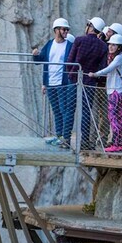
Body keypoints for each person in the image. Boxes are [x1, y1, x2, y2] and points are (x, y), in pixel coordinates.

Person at [67, 17, 108, 150]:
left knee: (70, 109)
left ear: (90, 26)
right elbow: (102, 66)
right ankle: (84, 141)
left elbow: (70, 60)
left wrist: (71, 73)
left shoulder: (79, 40)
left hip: (75, 78)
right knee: (86, 111)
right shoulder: (102, 46)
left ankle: (65, 138)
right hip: (90, 81)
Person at [33, 18, 74, 148]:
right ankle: (58, 135)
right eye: (63, 29)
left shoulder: (69, 46)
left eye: (67, 29)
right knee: (56, 110)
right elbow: (40, 60)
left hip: (63, 83)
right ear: (56, 30)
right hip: (51, 83)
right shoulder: (50, 44)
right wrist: (35, 55)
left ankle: (64, 137)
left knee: (64, 109)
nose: (66, 31)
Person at [88, 34, 122, 152]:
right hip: (119, 90)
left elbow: (109, 69)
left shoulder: (118, 58)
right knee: (120, 118)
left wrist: (95, 74)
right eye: (110, 44)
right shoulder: (119, 57)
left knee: (113, 118)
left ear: (119, 47)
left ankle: (116, 143)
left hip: (115, 91)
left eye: (114, 45)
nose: (110, 47)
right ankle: (121, 143)